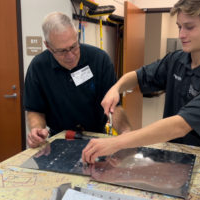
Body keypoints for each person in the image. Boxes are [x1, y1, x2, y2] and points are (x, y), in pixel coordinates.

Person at [82, 0, 200, 163]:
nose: (181, 34)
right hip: (173, 159)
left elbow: (180, 125)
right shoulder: (176, 60)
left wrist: (117, 142)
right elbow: (138, 76)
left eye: (189, 27)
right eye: (179, 26)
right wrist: (116, 88)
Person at [24, 12, 131, 148]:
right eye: (62, 51)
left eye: (74, 46)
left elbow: (114, 107)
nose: (70, 56)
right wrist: (37, 130)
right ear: (48, 46)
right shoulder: (38, 67)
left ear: (77, 36)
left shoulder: (100, 60)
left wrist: (126, 133)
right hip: (58, 140)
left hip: (97, 138)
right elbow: (35, 109)